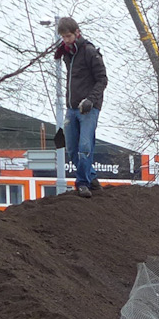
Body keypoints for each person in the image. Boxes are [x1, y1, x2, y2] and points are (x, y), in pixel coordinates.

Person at [54, 17, 107, 197]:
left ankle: (83, 183)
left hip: (88, 108)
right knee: (71, 148)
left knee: (85, 146)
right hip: (71, 107)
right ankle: (91, 177)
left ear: (77, 32)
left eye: (68, 36)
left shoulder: (90, 52)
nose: (66, 40)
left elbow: (102, 79)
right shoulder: (67, 53)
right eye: (63, 37)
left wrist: (90, 100)